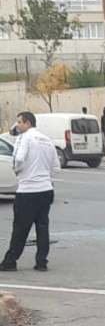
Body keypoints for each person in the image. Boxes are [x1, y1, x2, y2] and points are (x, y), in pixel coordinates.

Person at [0, 112, 60, 272]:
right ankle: (41, 262)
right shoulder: (47, 140)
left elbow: (18, 159)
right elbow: (56, 167)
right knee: (42, 226)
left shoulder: (24, 138)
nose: (17, 125)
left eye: (19, 122)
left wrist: (18, 171)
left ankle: (10, 261)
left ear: (27, 123)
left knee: (20, 227)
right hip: (46, 189)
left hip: (27, 191)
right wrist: (44, 178)